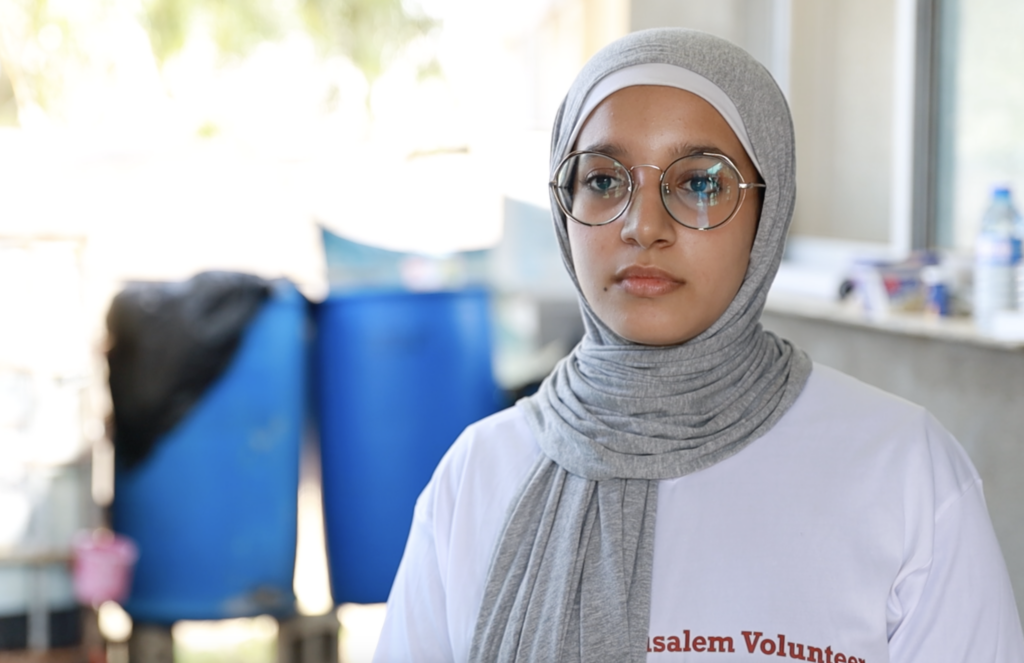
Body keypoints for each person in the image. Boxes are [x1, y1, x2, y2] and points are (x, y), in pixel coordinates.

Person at [373, 28, 1024, 662]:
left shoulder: (902, 471)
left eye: (701, 183)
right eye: (603, 180)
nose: (643, 225)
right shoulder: (478, 475)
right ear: (561, 204)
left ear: (768, 215)